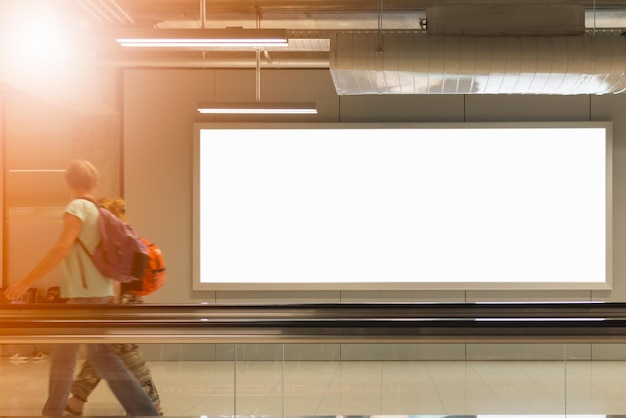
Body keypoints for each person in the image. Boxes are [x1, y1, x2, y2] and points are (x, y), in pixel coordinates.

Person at [3, 159, 159, 417]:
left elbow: (62, 248)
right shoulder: (100, 212)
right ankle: (139, 410)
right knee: (86, 355)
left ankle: (140, 410)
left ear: (68, 184)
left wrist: (25, 283)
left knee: (80, 355)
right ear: (95, 184)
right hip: (100, 294)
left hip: (84, 298)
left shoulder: (76, 207)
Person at [65, 197, 162, 416]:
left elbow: (115, 278)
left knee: (122, 352)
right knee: (100, 351)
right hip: (128, 302)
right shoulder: (128, 234)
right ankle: (77, 399)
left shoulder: (112, 238)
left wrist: (112, 304)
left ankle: (151, 401)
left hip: (117, 303)